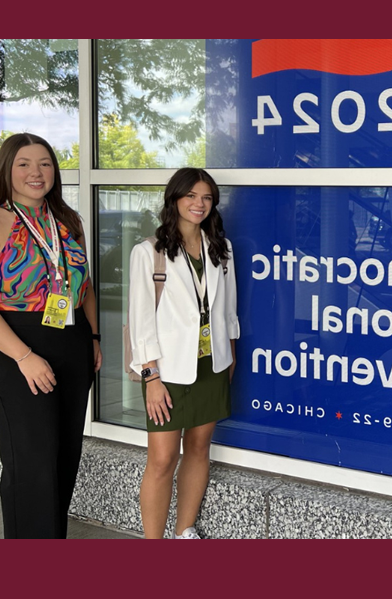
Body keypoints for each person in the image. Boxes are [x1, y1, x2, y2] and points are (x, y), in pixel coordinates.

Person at [0, 133, 102, 538]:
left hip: (72, 341)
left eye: (44, 163)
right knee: (31, 465)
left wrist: (93, 339)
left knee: (63, 459)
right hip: (19, 346)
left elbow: (86, 286)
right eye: (24, 163)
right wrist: (25, 357)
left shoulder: (67, 221)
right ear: (7, 169)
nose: (36, 173)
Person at [128, 168, 239, 539]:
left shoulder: (221, 249)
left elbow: (228, 309)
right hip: (168, 371)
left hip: (211, 364)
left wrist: (230, 353)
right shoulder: (149, 253)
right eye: (191, 196)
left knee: (198, 448)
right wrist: (151, 378)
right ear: (174, 199)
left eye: (207, 198)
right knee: (161, 460)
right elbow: (140, 320)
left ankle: (184, 532)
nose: (199, 204)